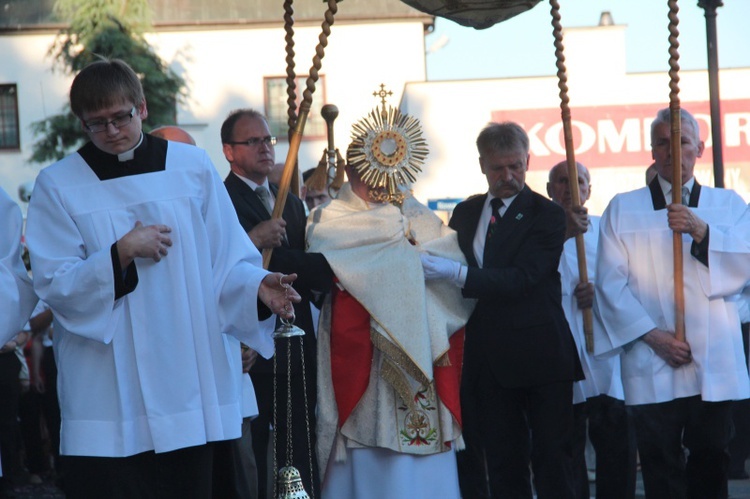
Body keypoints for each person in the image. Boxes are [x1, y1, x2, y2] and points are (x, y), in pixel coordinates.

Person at [24, 58, 300, 498]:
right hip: (111, 394)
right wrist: (119, 253)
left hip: (193, 379)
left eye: (121, 117)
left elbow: (226, 257)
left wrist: (256, 285)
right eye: (97, 123)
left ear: (143, 108)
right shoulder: (59, 184)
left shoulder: (191, 167)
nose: (112, 131)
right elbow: (55, 283)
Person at [307, 122, 473, 498]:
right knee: (369, 449)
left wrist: (425, 260)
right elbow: (328, 261)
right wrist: (399, 261)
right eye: (367, 169)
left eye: (383, 168)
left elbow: (448, 260)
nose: (377, 179)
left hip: (421, 362)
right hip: (365, 354)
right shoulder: (331, 218)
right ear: (350, 171)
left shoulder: (415, 213)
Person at [595, 107, 750, 498]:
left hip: (712, 358)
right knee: (659, 463)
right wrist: (653, 337)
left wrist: (702, 231)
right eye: (662, 142)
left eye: (680, 141)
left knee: (711, 459)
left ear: (699, 147)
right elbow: (609, 285)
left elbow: (745, 263)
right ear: (652, 151)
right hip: (652, 357)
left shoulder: (728, 205)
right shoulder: (623, 208)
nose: (671, 150)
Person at [446, 121, 582, 498]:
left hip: (541, 356)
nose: (508, 176)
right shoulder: (466, 213)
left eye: (516, 166)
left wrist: (459, 274)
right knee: (504, 463)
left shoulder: (548, 215)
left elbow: (523, 278)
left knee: (553, 460)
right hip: (488, 358)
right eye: (497, 168)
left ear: (527, 160)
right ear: (481, 166)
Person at [221, 109, 332, 498]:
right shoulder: (221, 200)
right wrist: (253, 238)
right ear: (229, 151)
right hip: (253, 345)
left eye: (268, 140)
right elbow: (224, 266)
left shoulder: (293, 202)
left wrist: (324, 268)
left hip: (296, 341)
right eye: (252, 141)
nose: (265, 148)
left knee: (299, 444)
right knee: (255, 452)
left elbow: (300, 264)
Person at [547, 160, 637, 498]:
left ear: (589, 189)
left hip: (608, 359)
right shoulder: (542, 235)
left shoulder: (607, 231)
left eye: (579, 181)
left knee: (617, 449)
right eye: (562, 181)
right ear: (550, 190)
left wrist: (598, 291)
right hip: (562, 357)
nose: (571, 188)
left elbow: (629, 280)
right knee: (567, 453)